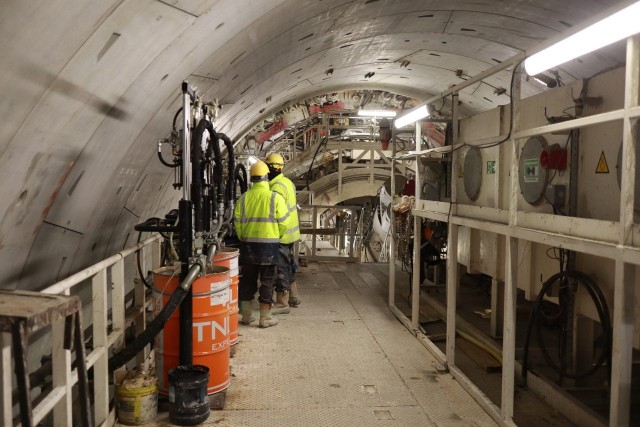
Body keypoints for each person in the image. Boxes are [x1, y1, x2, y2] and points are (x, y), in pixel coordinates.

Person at [234, 160, 288, 328]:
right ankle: (265, 318)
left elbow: (237, 222)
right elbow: (284, 222)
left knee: (247, 281)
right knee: (267, 281)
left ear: (251, 178)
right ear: (266, 177)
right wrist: (277, 236)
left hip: (248, 245)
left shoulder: (243, 198)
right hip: (269, 247)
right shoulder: (275, 198)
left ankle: (245, 316)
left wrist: (244, 238)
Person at [265, 153, 301, 314]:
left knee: (280, 269)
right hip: (292, 233)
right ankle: (294, 296)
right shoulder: (288, 183)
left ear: (271, 168)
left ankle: (282, 303)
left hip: (282, 234)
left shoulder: (276, 188)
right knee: (288, 265)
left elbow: (276, 213)